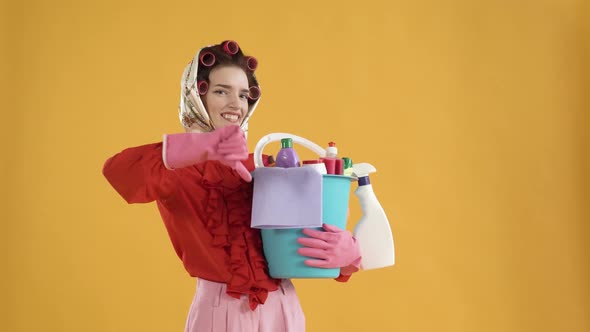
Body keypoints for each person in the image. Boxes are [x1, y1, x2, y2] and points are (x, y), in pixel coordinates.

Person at [103, 40, 361, 332]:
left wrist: (350, 257)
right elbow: (118, 172)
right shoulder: (176, 168)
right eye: (221, 91)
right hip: (218, 315)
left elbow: (305, 239)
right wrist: (205, 145)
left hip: (284, 312)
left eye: (242, 94)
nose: (235, 104)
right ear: (196, 96)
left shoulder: (265, 165)